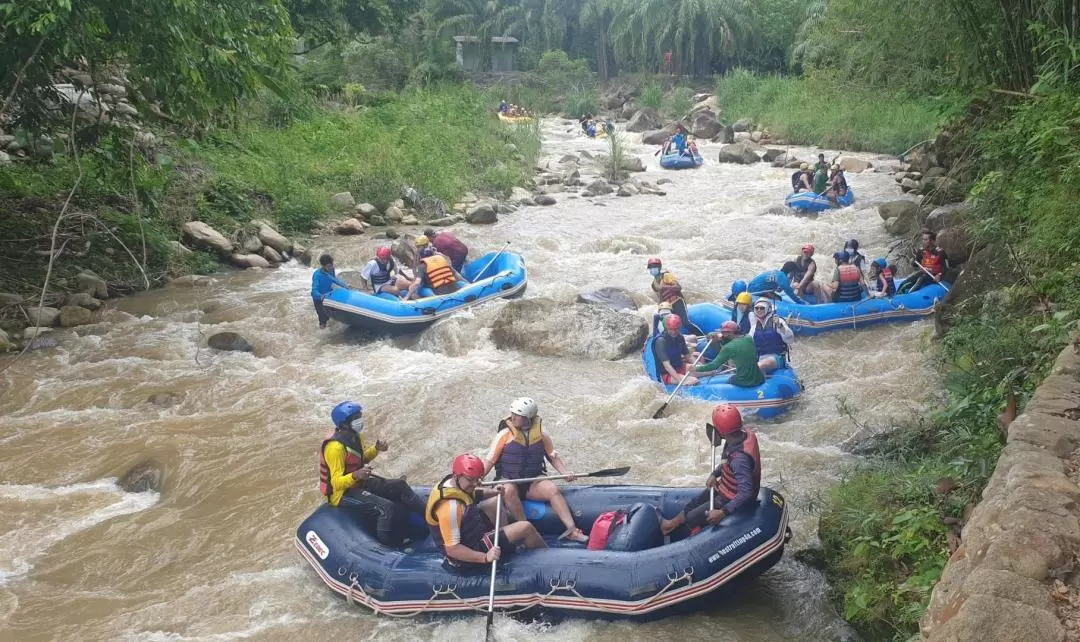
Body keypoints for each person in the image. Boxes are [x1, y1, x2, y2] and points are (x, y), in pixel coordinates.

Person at [319, 401, 427, 547]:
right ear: (344, 424)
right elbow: (335, 482)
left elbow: (362, 459)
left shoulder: (356, 437)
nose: (360, 420)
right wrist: (355, 475)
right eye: (356, 418)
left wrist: (376, 449)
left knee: (400, 485)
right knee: (386, 507)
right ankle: (390, 546)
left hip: (358, 482)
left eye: (360, 416)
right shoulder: (335, 448)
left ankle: (431, 519)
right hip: (342, 494)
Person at [485, 398, 590, 543]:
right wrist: (476, 478)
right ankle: (526, 530)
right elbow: (490, 461)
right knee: (508, 490)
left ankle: (571, 530)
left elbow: (552, 456)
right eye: (512, 413)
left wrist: (564, 472)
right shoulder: (504, 434)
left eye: (517, 415)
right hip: (508, 479)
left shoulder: (541, 434)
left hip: (532, 482)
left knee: (552, 489)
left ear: (528, 417)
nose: (512, 417)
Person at [425, 453, 546, 568]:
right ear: (457, 476)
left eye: (478, 479)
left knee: (493, 502)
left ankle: (509, 546)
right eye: (471, 480)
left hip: (468, 533)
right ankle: (548, 560)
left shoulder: (454, 484)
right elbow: (452, 549)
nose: (475, 483)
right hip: (468, 553)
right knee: (525, 527)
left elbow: (472, 493)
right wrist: (485, 557)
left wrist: (493, 492)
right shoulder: (450, 507)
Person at [660, 404, 762, 535]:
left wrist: (723, 512)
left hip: (732, 497)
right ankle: (670, 525)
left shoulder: (739, 459)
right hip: (725, 487)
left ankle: (690, 530)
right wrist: (715, 474)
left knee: (693, 516)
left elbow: (746, 492)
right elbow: (727, 462)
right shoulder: (739, 437)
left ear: (720, 431)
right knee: (694, 503)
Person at [694, 321, 765, 388]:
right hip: (759, 378)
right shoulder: (748, 338)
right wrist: (720, 339)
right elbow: (734, 343)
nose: (722, 334)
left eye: (723, 332)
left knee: (730, 380)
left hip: (745, 381)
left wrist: (696, 368)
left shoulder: (728, 348)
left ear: (729, 333)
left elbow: (713, 366)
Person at [748, 298, 793, 373]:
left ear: (768, 309)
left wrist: (779, 326)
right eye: (757, 308)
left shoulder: (778, 322)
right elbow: (749, 342)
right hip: (760, 357)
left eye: (762, 308)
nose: (759, 310)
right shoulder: (754, 326)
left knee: (760, 366)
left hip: (777, 358)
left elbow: (790, 339)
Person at [898, 230, 949, 294]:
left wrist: (939, 275)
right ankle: (896, 296)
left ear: (932, 241)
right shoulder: (922, 251)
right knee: (905, 283)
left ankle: (909, 296)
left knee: (920, 280)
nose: (923, 242)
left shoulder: (940, 252)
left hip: (933, 274)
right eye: (923, 239)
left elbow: (946, 267)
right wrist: (912, 262)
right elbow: (916, 264)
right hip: (923, 272)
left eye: (925, 240)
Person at [654, 313, 699, 385]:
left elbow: (688, 356)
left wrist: (701, 367)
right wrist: (681, 381)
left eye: (676, 329)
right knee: (694, 380)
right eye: (671, 329)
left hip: (679, 367)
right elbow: (667, 366)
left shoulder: (680, 338)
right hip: (667, 373)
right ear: (667, 328)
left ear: (679, 327)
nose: (674, 332)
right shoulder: (661, 341)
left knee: (707, 371)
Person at [311, 253, 348, 329]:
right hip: (318, 298)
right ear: (323, 266)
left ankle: (332, 328)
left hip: (329, 295)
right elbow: (314, 290)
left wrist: (345, 285)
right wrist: (320, 296)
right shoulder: (317, 275)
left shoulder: (332, 270)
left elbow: (334, 279)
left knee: (332, 314)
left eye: (331, 265)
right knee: (323, 319)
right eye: (329, 266)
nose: (331, 267)